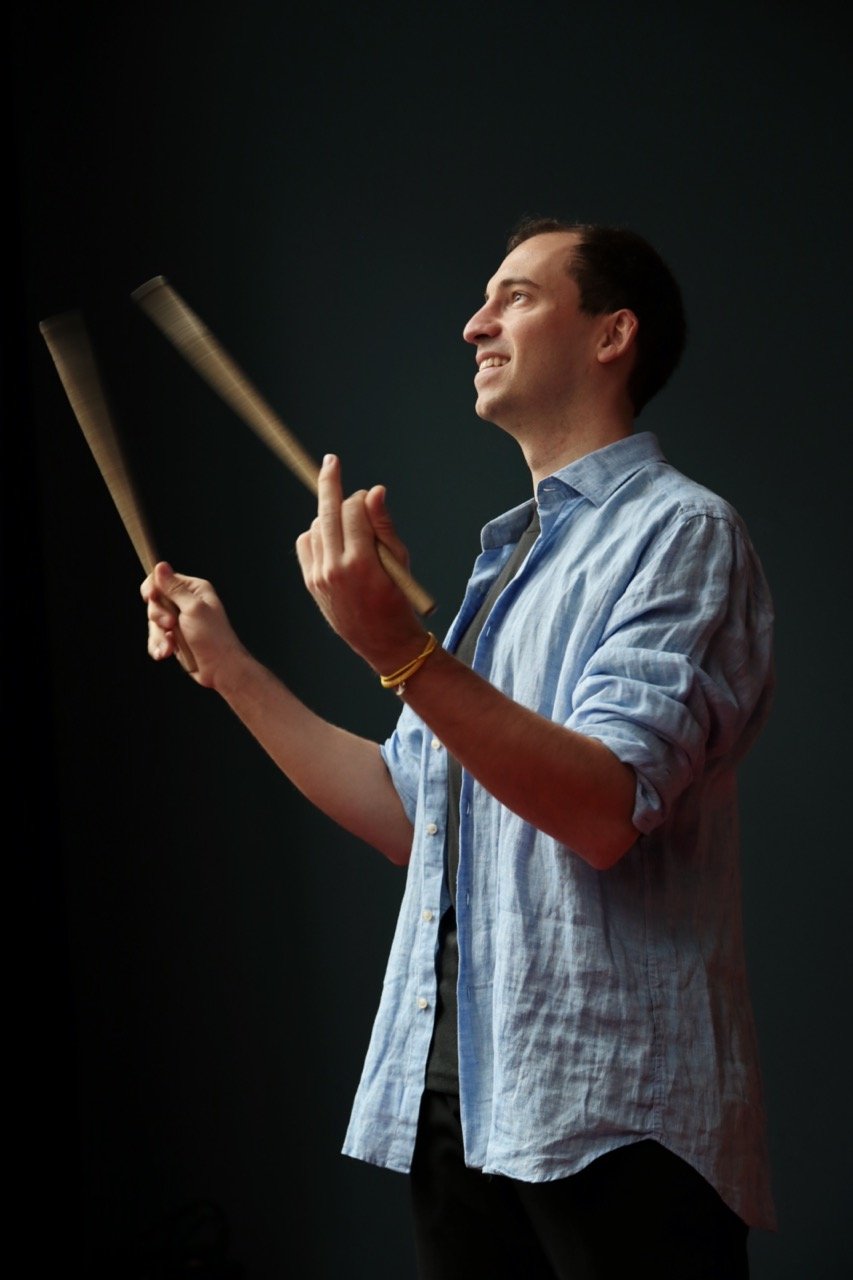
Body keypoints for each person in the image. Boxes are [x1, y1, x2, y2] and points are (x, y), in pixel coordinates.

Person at [142, 217, 776, 1278]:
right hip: (460, 1093)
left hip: (615, 1110)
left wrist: (398, 649)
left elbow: (603, 812)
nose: (475, 323)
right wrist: (232, 667)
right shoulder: (504, 565)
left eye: (516, 296)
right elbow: (410, 819)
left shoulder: (682, 532)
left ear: (612, 334)